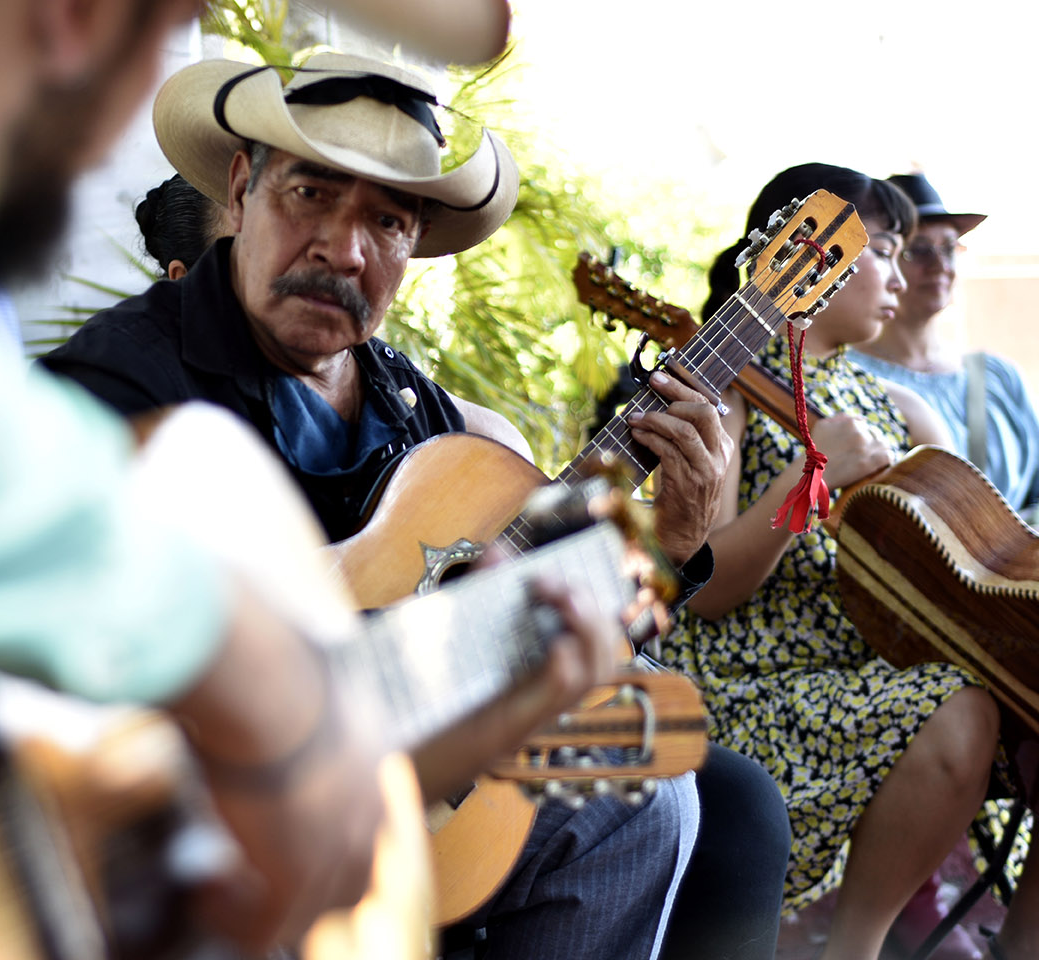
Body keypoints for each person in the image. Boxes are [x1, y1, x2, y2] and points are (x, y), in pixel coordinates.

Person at [0, 0, 617, 954]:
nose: (344, 248)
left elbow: (89, 807)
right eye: (172, 13)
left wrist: (391, 742)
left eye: (390, 221)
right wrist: (241, 660)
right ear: (82, 18)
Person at [40, 50, 770, 960]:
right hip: (201, 822)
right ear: (242, 188)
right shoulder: (119, 389)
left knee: (662, 781)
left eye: (385, 220)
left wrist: (665, 545)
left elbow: (543, 636)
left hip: (408, 785)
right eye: (311, 194)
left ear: (413, 242)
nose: (344, 249)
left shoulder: (408, 406)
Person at [663, 162, 1039, 960]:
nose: (901, 276)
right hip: (750, 689)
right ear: (811, 258)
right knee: (961, 708)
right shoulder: (725, 391)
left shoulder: (905, 410)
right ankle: (854, 951)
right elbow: (703, 592)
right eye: (885, 251)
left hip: (889, 676)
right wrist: (808, 474)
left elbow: (986, 561)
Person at [852, 173, 1039, 519]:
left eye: (950, 248)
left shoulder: (999, 376)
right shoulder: (851, 382)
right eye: (919, 251)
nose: (941, 265)